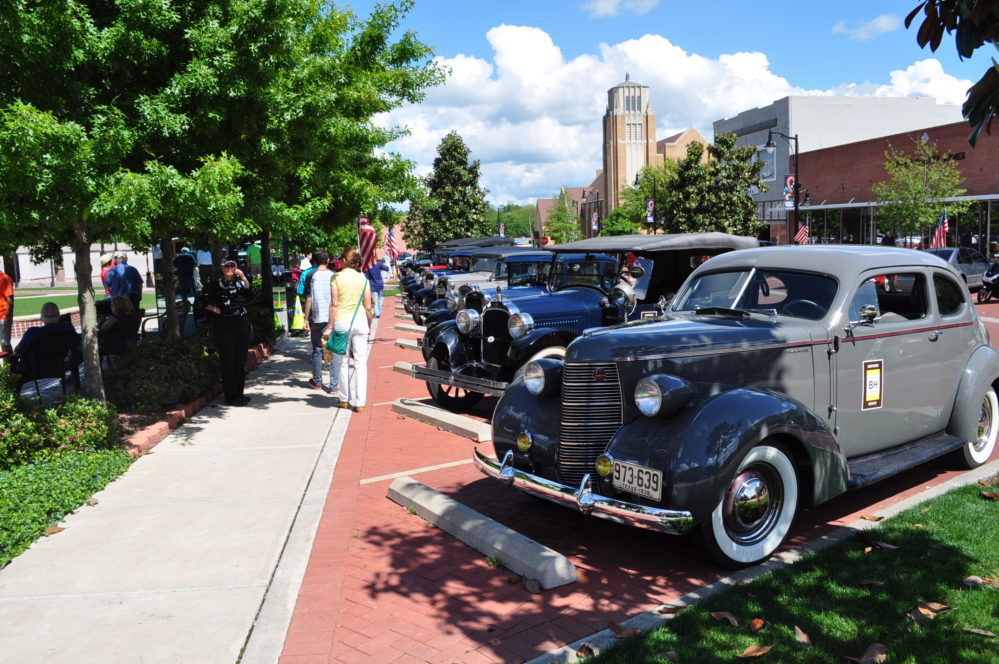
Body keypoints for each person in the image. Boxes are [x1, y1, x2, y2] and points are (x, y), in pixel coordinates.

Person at [323, 248, 374, 412]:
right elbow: (368, 306)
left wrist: (329, 326)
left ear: (345, 260)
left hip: (342, 322)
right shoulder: (363, 278)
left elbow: (334, 304)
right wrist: (369, 325)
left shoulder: (336, 277)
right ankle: (360, 402)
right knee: (360, 363)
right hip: (360, 321)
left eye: (341, 258)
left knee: (342, 362)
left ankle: (345, 399)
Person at [203, 259, 255, 406]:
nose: (230, 268)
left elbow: (251, 295)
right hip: (225, 326)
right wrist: (215, 309)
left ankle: (239, 393)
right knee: (228, 361)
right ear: (221, 268)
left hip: (242, 325)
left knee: (240, 361)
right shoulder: (215, 284)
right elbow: (202, 302)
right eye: (227, 266)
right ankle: (230, 396)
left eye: (233, 266)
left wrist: (244, 277)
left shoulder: (240, 283)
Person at [302, 251, 338, 394]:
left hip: (317, 317)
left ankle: (317, 381)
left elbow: (309, 299)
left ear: (314, 262)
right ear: (328, 260)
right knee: (334, 351)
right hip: (332, 318)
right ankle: (334, 385)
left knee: (317, 349)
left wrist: (306, 319)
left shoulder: (311, 275)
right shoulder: (334, 275)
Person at [13, 302, 79, 374]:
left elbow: (18, 350)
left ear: (42, 317)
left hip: (34, 368)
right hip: (60, 364)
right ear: (58, 315)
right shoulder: (68, 327)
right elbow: (76, 343)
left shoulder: (33, 332)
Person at [0, 268, 13, 354]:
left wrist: (8, 316)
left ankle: (11, 366)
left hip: (3, 316)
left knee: (5, 344)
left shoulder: (4, 278)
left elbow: (10, 299)